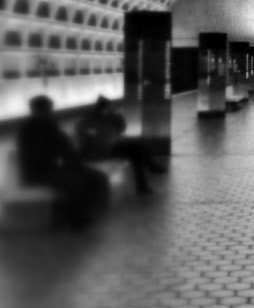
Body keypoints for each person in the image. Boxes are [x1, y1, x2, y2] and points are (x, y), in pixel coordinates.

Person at [16, 95, 110, 227]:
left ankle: (86, 210)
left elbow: (64, 146)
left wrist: (74, 163)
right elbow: (36, 156)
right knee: (74, 181)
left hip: (51, 168)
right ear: (36, 111)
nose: (49, 112)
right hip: (37, 172)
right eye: (46, 110)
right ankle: (76, 218)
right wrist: (65, 162)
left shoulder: (50, 125)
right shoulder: (27, 129)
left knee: (96, 177)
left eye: (49, 110)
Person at [75, 96, 162, 195]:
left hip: (110, 147)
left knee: (138, 146)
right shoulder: (89, 121)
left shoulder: (109, 118)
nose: (111, 110)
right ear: (104, 108)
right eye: (110, 108)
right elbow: (88, 138)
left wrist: (116, 116)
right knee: (136, 152)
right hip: (99, 151)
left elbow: (120, 129)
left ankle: (149, 173)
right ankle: (145, 180)